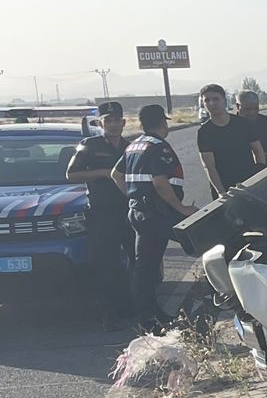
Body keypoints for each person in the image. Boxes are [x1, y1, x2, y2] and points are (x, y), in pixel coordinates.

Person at [64, 101, 131, 327]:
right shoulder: (89, 145)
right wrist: (104, 172)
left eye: (116, 120)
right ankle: (109, 313)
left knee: (135, 261)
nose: (112, 125)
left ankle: (131, 308)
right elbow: (71, 175)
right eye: (107, 120)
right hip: (102, 213)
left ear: (124, 122)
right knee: (106, 265)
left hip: (129, 211)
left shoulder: (131, 147)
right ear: (100, 123)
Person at [121, 103, 187, 332]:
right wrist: (182, 208)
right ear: (163, 122)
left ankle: (149, 315)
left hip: (139, 211)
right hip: (158, 213)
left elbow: (116, 174)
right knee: (200, 243)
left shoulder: (133, 146)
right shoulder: (158, 146)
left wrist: (133, 196)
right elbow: (160, 183)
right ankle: (149, 317)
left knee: (145, 267)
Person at [195, 83, 263, 194]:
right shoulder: (204, 132)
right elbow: (209, 166)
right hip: (225, 188)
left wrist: (259, 176)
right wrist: (221, 192)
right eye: (207, 100)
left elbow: (258, 150)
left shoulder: (243, 124)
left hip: (250, 184)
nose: (212, 103)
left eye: (216, 99)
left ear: (224, 100)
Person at [238, 89, 267, 164]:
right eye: (247, 109)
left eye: (255, 109)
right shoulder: (231, 125)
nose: (252, 113)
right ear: (238, 106)